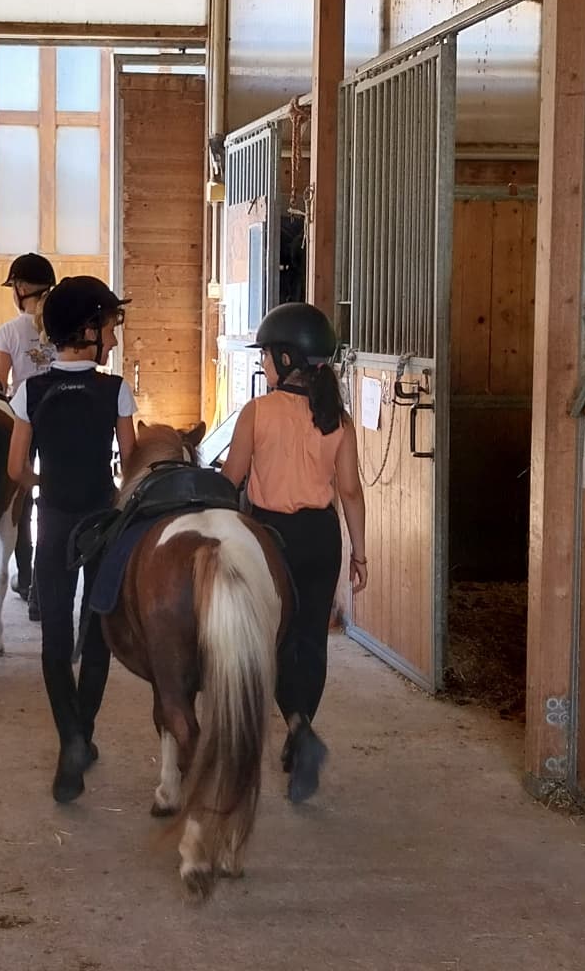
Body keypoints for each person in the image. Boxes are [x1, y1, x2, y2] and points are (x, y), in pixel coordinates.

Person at [220, 302, 367, 804]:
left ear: (286, 360)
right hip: (322, 538)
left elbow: (231, 480)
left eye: (266, 356)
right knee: (312, 640)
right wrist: (360, 554)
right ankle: (302, 732)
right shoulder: (337, 418)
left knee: (277, 641)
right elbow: (350, 491)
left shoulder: (257, 412)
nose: (262, 364)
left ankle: (299, 726)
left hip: (270, 538)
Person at [7, 276, 136, 804]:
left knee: (55, 639)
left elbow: (17, 467)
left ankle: (70, 745)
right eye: (107, 326)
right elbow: (129, 467)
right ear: (87, 331)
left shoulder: (30, 391)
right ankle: (83, 731)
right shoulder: (115, 389)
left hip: (55, 521)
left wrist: (43, 484)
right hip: (102, 523)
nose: (111, 336)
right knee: (99, 633)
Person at [0, 254, 57, 621]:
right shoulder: (59, 323)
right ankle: (40, 590)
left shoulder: (8, 332)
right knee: (52, 501)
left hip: (24, 418)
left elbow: (0, 385)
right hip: (60, 418)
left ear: (19, 289)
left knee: (22, 503)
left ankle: (25, 578)